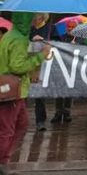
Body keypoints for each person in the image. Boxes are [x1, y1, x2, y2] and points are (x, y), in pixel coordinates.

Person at [0, 12, 52, 171]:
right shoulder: (19, 39)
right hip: (12, 91)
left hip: (15, 90)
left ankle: (4, 158)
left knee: (21, 124)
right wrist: (40, 56)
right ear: (31, 18)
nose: (40, 21)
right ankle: (1, 160)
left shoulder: (12, 35)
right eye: (40, 18)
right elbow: (17, 66)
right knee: (7, 129)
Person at [28, 13, 60, 131]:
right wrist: (31, 39)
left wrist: (45, 41)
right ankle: (38, 119)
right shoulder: (29, 30)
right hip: (32, 65)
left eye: (35, 18)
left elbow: (59, 45)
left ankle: (41, 117)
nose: (33, 20)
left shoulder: (51, 28)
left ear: (42, 18)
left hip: (48, 64)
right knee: (35, 91)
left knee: (42, 91)